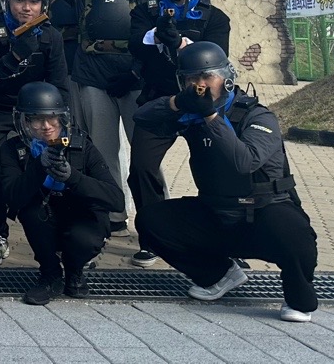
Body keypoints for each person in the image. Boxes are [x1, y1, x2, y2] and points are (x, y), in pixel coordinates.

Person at [135, 42, 318, 323]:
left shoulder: (259, 116)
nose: (199, 85)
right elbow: (142, 117)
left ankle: (299, 297)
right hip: (217, 212)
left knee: (296, 237)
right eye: (191, 78)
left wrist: (211, 116)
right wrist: (176, 103)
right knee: (151, 221)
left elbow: (244, 162)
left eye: (207, 77)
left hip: (264, 211)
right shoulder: (191, 114)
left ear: (227, 78)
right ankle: (220, 275)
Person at [126, 0, 231, 266]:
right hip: (159, 101)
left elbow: (217, 59)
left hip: (203, 105)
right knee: (141, 168)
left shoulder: (215, 17)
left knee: (219, 168)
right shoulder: (145, 11)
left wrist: (183, 44)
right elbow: (135, 43)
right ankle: (154, 236)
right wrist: (157, 35)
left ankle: (226, 240)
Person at [0, 0, 70, 266]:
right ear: (7, 0)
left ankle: (57, 234)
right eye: (19, 0)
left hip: (35, 113)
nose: (27, 7)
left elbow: (60, 85)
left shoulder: (51, 36)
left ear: (43, 4)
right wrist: (15, 56)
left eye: (34, 1)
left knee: (50, 167)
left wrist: (55, 123)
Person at [1, 82, 123, 305]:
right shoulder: (13, 149)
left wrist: (73, 177)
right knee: (30, 210)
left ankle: (75, 271)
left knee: (84, 238)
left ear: (62, 118)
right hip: (44, 215)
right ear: (25, 122)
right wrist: (38, 167)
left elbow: (116, 200)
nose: (46, 126)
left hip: (80, 215)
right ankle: (50, 274)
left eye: (52, 119)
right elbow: (12, 197)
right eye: (37, 120)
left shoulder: (82, 146)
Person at [64, 0, 142, 235]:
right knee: (104, 150)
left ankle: (155, 213)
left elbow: (149, 36)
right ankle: (114, 213)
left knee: (145, 154)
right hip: (94, 77)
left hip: (132, 80)